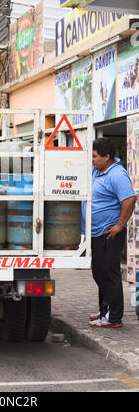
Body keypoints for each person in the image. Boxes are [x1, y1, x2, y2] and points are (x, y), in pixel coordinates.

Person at [83, 138, 136, 328]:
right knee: (98, 272)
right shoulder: (97, 171)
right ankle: (104, 310)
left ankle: (114, 318)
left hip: (109, 233)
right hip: (96, 233)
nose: (92, 160)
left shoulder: (117, 175)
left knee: (109, 273)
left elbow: (129, 200)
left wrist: (120, 225)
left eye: (95, 156)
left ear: (106, 157)